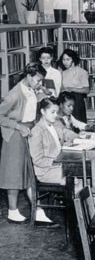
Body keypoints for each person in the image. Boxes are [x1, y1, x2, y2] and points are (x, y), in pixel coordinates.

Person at [0, 63, 54, 224]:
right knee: (14, 174)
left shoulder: (31, 88)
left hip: (28, 131)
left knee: (30, 172)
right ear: (29, 76)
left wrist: (43, 90)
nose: (40, 84)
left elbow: (40, 98)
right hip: (15, 135)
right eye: (38, 80)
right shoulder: (14, 94)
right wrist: (18, 126)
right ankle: (12, 211)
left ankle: (36, 210)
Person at [29, 98, 78, 186]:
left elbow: (67, 133)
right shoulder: (37, 131)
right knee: (76, 178)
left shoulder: (55, 125)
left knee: (82, 175)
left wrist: (67, 143)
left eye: (57, 112)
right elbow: (37, 160)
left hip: (59, 166)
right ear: (43, 111)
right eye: (52, 112)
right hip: (46, 171)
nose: (56, 115)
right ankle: (77, 198)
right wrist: (57, 162)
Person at [59, 49, 90, 123]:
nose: (65, 62)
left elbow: (87, 90)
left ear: (73, 59)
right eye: (63, 60)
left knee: (78, 123)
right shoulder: (63, 73)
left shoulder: (82, 72)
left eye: (68, 59)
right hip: (65, 100)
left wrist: (72, 89)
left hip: (77, 101)